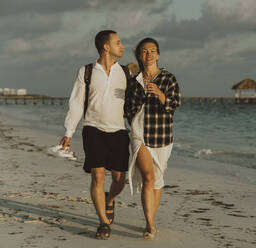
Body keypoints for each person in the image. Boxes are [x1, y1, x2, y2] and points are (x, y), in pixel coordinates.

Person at [59, 30, 130, 240]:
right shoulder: (87, 71)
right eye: (118, 42)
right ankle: (103, 223)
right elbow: (77, 102)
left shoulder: (126, 72)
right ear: (106, 47)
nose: (122, 46)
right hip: (92, 129)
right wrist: (69, 132)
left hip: (119, 131)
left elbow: (136, 105)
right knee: (97, 176)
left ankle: (109, 200)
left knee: (119, 180)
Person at [125, 37, 181, 240]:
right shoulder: (134, 81)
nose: (148, 55)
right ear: (139, 55)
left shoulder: (168, 78)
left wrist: (159, 93)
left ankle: (150, 219)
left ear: (157, 55)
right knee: (148, 177)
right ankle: (149, 224)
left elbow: (175, 104)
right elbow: (128, 110)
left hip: (162, 136)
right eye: (144, 51)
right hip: (139, 135)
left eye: (152, 51)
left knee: (156, 180)